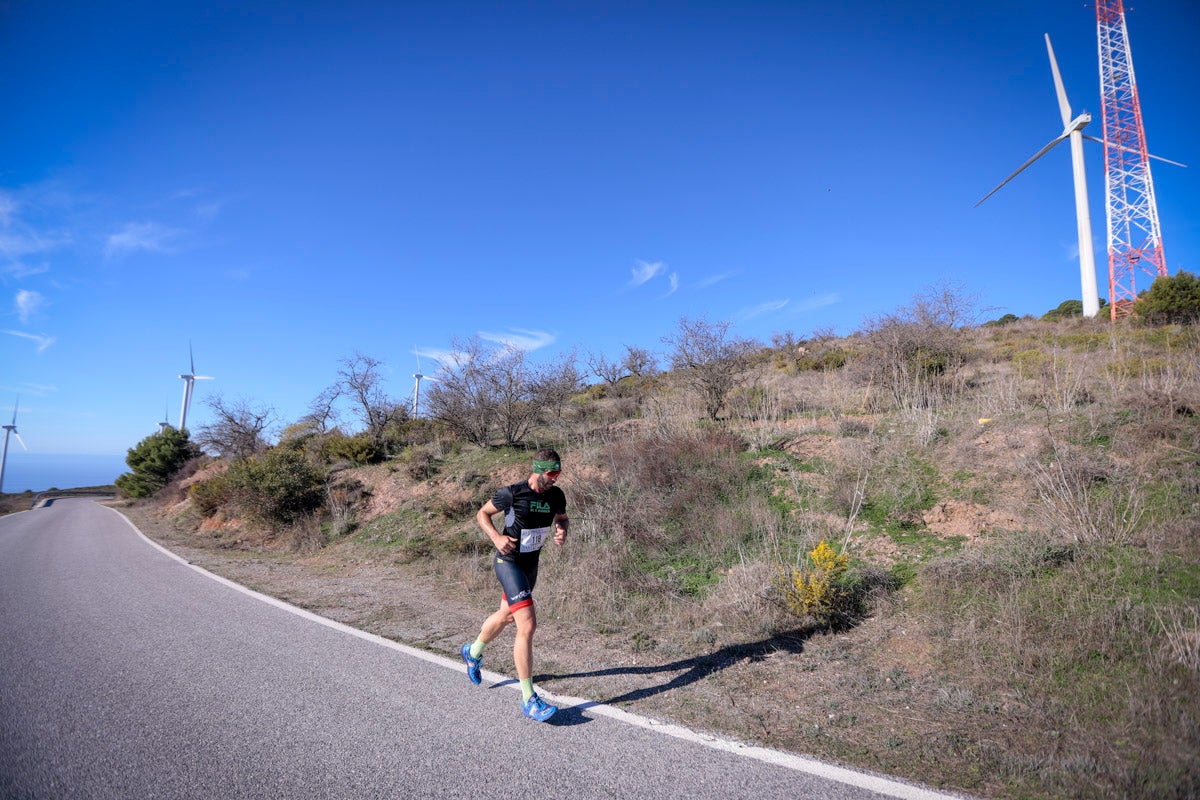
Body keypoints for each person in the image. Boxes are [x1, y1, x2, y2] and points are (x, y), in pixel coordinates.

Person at [460, 448, 569, 722]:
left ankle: (472, 653)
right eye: (551, 473)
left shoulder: (556, 496)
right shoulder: (512, 492)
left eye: (558, 473)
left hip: (530, 565)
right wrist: (496, 538)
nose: (555, 478)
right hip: (508, 562)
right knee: (527, 625)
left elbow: (562, 517)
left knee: (507, 616)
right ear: (539, 469)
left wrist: (561, 530)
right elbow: (482, 514)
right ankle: (528, 699)